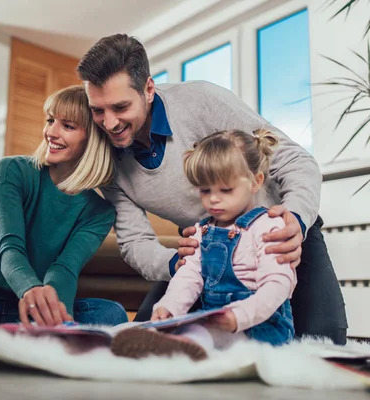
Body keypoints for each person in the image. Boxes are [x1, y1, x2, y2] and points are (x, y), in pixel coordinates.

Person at [77, 33, 347, 344]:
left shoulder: (201, 101)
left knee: (325, 338)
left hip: (280, 237)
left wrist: (296, 219)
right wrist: (175, 263)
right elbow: (135, 240)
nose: (109, 123)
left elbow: (296, 161)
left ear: (148, 89)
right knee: (147, 335)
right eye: (98, 110)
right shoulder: (106, 158)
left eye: (120, 107)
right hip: (209, 250)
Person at [0, 85, 128, 327]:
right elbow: (10, 249)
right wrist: (30, 289)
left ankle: (3, 334)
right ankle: (11, 336)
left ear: (93, 139)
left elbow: (65, 269)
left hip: (26, 306)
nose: (51, 132)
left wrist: (57, 321)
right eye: (50, 120)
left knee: (111, 314)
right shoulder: (13, 170)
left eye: (68, 126)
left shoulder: (100, 212)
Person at [111, 129, 296, 360]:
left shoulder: (269, 226)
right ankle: (170, 344)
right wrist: (169, 308)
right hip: (214, 320)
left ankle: (183, 348)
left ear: (255, 181)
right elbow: (188, 277)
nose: (213, 199)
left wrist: (239, 316)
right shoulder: (202, 230)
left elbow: (278, 285)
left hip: (261, 325)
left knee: (214, 337)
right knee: (187, 329)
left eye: (225, 190)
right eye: (205, 190)